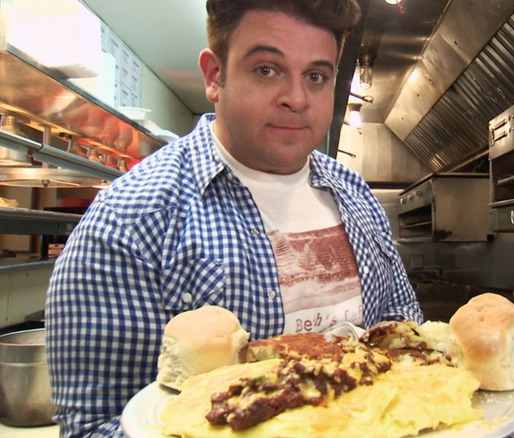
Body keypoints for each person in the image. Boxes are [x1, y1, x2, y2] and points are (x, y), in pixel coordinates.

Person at [45, 1, 423, 436]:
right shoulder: (131, 221)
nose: (296, 99)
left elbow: (403, 336)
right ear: (214, 75)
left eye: (316, 77)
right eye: (266, 69)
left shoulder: (355, 195)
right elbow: (96, 425)